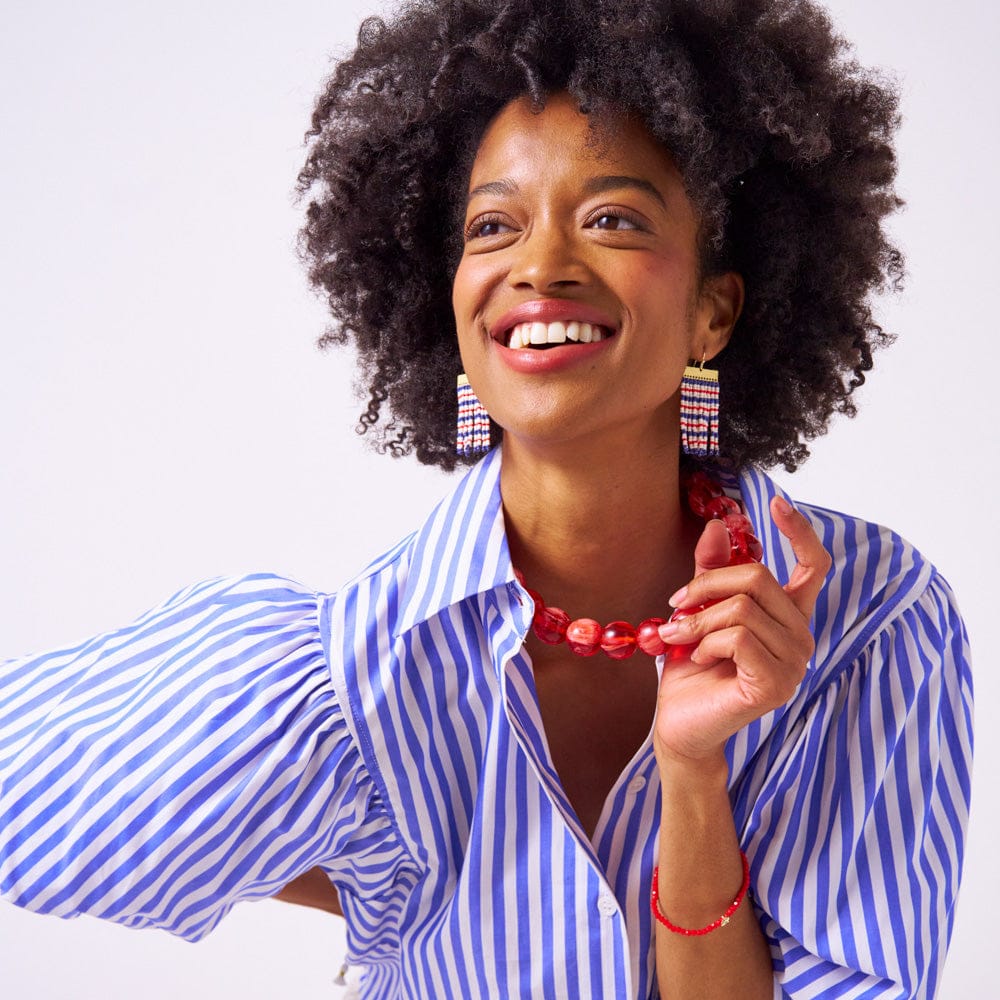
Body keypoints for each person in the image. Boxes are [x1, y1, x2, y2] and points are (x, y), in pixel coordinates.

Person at [0, 0, 973, 998]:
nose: (539, 267)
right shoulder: (352, 669)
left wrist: (692, 775)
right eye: (492, 225)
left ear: (713, 312)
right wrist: (375, 873)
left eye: (611, 218)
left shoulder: (869, 625)